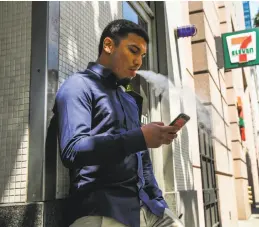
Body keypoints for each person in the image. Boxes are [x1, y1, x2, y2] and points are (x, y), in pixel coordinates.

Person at [52, 19, 184, 227]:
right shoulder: (79, 85)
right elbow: (72, 150)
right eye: (133, 50)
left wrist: (159, 202)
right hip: (104, 209)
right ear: (108, 45)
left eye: (142, 56)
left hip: (149, 209)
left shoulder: (129, 100)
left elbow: (143, 162)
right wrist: (139, 137)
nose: (139, 61)